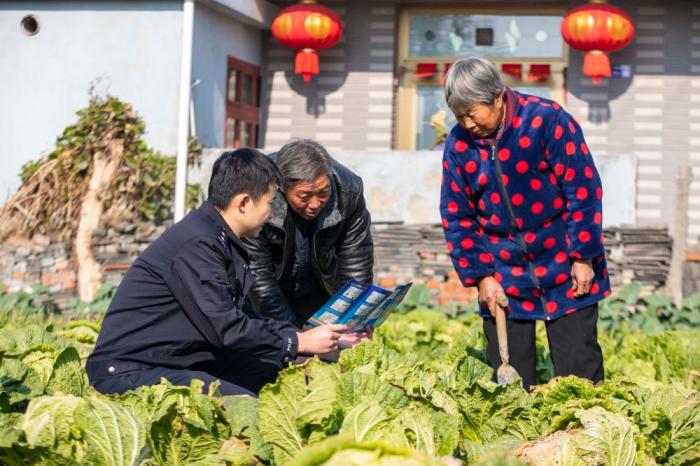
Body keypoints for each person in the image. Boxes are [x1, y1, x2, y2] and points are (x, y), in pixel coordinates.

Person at [86, 148, 347, 397]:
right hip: (131, 370)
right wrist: (298, 343)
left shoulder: (219, 238)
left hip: (182, 361)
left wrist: (312, 342)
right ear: (243, 202)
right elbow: (228, 328)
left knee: (291, 377)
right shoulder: (197, 244)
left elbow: (246, 318)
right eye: (269, 202)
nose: (270, 214)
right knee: (244, 408)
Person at [439, 57, 610, 390]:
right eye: (459, 115)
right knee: (511, 386)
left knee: (580, 377)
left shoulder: (547, 121)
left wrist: (584, 256)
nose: (467, 123)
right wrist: (481, 276)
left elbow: (583, 189)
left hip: (565, 260)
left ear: (498, 97)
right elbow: (457, 216)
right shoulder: (459, 144)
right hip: (503, 271)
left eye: (472, 113)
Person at [243, 139, 374, 329]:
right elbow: (258, 276)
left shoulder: (349, 190)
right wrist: (294, 340)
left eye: (323, 193)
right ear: (282, 187)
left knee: (339, 347)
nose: (315, 204)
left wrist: (354, 320)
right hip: (264, 295)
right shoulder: (258, 191)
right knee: (277, 351)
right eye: (304, 197)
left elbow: (356, 259)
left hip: (318, 288)